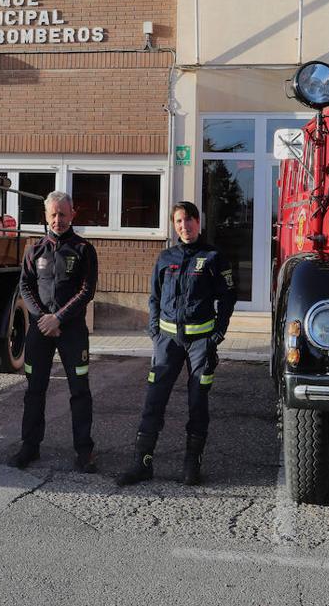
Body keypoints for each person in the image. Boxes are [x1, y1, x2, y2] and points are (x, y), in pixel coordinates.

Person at [117, 201, 235, 487]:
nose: (185, 226)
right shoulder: (165, 257)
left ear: (199, 222)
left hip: (200, 345)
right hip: (167, 343)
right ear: (174, 225)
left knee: (197, 402)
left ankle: (191, 465)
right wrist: (155, 331)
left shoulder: (214, 257)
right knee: (154, 401)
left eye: (189, 220)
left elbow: (228, 298)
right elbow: (154, 298)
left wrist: (216, 335)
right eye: (179, 221)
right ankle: (142, 463)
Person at [9, 191, 99, 473]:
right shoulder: (34, 250)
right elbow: (25, 286)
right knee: (35, 390)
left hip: (72, 332)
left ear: (73, 214)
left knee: (79, 391)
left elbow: (87, 290)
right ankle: (30, 446)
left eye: (63, 214)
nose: (58, 219)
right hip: (39, 331)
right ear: (45, 217)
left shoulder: (84, 249)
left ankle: (84, 451)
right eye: (53, 215)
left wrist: (58, 318)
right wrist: (43, 318)